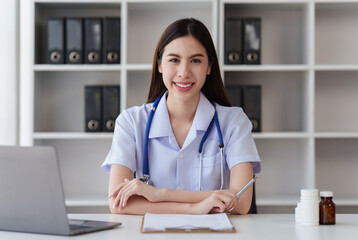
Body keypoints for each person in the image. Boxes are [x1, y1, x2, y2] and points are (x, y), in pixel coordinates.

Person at [102, 18, 261, 215]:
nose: (184, 72)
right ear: (160, 65)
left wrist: (159, 194)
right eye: (174, 60)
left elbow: (242, 201)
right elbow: (118, 203)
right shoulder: (131, 121)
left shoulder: (234, 122)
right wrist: (193, 208)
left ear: (209, 66)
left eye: (195, 60)